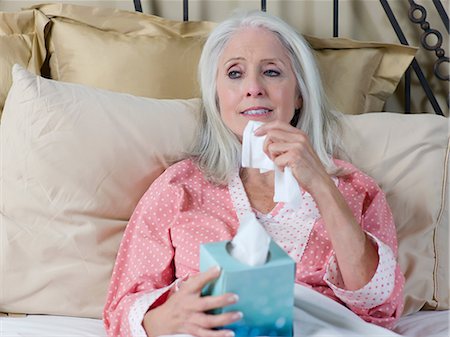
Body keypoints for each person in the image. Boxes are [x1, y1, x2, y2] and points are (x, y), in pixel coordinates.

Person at [103, 10, 404, 337]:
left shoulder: (355, 190)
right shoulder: (179, 188)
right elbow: (121, 312)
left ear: (300, 93)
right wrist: (168, 318)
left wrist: (320, 184)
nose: (253, 88)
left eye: (272, 72)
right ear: (216, 95)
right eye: (234, 74)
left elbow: (380, 308)